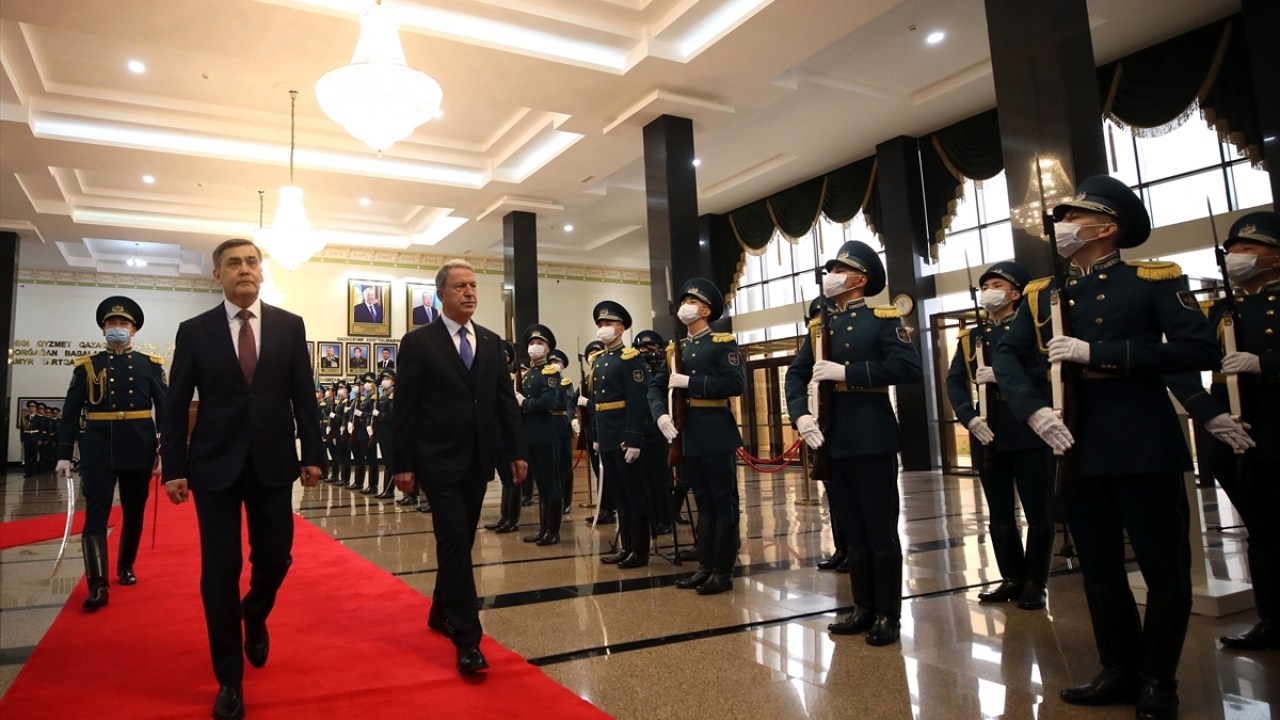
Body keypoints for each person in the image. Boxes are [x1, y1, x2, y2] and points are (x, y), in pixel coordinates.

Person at [991, 176, 1219, 719]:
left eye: (1072, 216)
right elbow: (1006, 354)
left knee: (1164, 566)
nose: (1061, 225)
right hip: (1075, 441)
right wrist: (1033, 408)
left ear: (1106, 226)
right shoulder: (1044, 292)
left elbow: (1198, 345)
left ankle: (1159, 681)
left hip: (1142, 439)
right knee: (1098, 565)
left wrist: (1102, 352)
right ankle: (1118, 669)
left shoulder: (1153, 280)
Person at [160, 238, 323, 720]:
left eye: (252, 261)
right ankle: (229, 677)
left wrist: (312, 453)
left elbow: (304, 396)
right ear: (218, 275)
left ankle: (255, 611)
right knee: (219, 571)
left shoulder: (289, 327)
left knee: (276, 557)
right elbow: (175, 405)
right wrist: (174, 467)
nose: (245, 269)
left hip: (273, 463)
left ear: (261, 270)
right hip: (214, 467)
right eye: (234, 263)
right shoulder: (195, 330)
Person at [392, 259, 527, 675]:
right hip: (437, 460)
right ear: (441, 295)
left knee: (461, 542)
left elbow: (504, 402)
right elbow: (405, 408)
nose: (469, 293)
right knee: (453, 542)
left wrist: (516, 452)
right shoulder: (419, 343)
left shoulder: (489, 342)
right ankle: (468, 639)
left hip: (478, 460)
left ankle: (439, 610)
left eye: (473, 286)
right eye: (460, 287)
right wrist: (403, 464)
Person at [785, 240, 923, 646]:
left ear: (860, 279)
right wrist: (802, 415)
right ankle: (861, 608)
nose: (831, 276)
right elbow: (795, 376)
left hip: (871, 437)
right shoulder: (819, 326)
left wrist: (847, 371)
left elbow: (907, 366)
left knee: (880, 531)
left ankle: (887, 615)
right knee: (852, 533)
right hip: (832, 439)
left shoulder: (881, 319)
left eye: (839, 270)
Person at [1169, 210, 1278, 652]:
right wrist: (1208, 412)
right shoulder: (1219, 311)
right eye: (1231, 250)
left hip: (1275, 429)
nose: (1236, 256)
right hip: (1232, 437)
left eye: (1248, 249)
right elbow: (1181, 362)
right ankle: (1272, 619)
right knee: (1263, 531)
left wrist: (1265, 365)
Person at [943, 261, 1055, 610]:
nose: (988, 290)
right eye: (985, 286)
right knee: (999, 509)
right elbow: (954, 382)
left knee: (1038, 508)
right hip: (988, 428)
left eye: (995, 284)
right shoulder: (971, 337)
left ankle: (1035, 582)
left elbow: (1048, 368)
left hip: (1027, 424)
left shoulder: (1033, 329)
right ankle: (1011, 577)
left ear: (1015, 292)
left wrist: (1008, 375)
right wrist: (968, 417)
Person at [55, 296, 166, 610]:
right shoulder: (87, 366)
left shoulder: (150, 365)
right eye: (111, 324)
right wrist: (64, 452)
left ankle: (125, 566)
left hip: (139, 447)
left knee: (134, 512)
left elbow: (166, 410)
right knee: (96, 515)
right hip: (98, 449)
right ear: (103, 329)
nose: (117, 328)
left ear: (134, 330)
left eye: (123, 324)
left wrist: (165, 451)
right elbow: (70, 412)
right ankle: (98, 585)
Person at [651, 279, 746, 595]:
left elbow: (734, 383)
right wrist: (660, 414)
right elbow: (655, 386)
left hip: (716, 431)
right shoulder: (675, 349)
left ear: (705, 310)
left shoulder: (721, 342)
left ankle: (723, 570)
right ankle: (705, 567)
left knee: (723, 502)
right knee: (703, 502)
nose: (685, 306)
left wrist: (690, 382)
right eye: (683, 300)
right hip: (688, 433)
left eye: (692, 301)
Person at [585, 301, 653, 569]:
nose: (603, 328)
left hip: (625, 436)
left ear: (621, 328)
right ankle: (625, 547)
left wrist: (634, 439)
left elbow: (638, 401)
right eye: (600, 325)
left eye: (608, 324)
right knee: (619, 494)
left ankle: (640, 550)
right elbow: (598, 403)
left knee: (633, 494)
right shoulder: (600, 360)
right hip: (608, 435)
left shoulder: (630, 359)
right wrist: (598, 436)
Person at [801, 297, 848, 573]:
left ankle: (853, 548)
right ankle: (841, 547)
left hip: (839, 427)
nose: (818, 321)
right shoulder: (811, 349)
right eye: (814, 317)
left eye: (823, 315)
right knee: (833, 497)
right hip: (817, 429)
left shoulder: (841, 344)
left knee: (847, 497)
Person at [518, 324, 564, 546]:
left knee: (551, 483)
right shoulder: (528, 374)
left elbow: (548, 402)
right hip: (531, 436)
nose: (534, 347)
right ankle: (543, 528)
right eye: (531, 343)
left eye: (539, 344)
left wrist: (524, 403)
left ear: (547, 349)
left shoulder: (550, 372)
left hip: (546, 434)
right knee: (540, 486)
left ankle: (553, 531)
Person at [634, 330, 675, 535]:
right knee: (646, 479)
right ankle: (652, 517)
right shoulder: (636, 367)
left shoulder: (662, 367)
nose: (645, 352)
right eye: (641, 348)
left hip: (660, 428)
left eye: (649, 349)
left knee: (661, 478)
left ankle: (667, 518)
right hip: (642, 428)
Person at [485, 341, 522, 532]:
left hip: (507, 435)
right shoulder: (490, 378)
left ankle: (512, 518)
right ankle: (505, 516)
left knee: (512, 478)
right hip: (495, 434)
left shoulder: (511, 379)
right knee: (505, 479)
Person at [578, 340, 614, 525]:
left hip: (606, 428)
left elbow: (604, 402)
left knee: (608, 472)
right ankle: (603, 508)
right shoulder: (586, 380)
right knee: (598, 472)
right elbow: (576, 401)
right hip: (592, 430)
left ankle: (609, 508)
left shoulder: (606, 376)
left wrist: (588, 404)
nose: (593, 355)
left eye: (596, 351)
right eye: (590, 352)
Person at [549, 348, 576, 516]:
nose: (554, 365)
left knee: (565, 467)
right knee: (552, 466)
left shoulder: (565, 383)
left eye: (557, 363)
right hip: (548, 426)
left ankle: (567, 501)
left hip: (562, 425)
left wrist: (546, 403)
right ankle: (555, 501)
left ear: (563, 366)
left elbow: (568, 402)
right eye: (551, 362)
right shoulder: (545, 381)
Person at [352, 373, 380, 494]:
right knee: (367, 459)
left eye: (370, 382)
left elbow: (372, 414)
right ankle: (366, 484)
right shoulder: (366, 398)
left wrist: (362, 415)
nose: (367, 384)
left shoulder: (374, 398)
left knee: (372, 460)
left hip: (369, 432)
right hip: (363, 431)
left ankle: (373, 486)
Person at [374, 369, 398, 500]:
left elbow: (393, 416)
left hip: (390, 433)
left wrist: (380, 415)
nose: (384, 381)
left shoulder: (393, 395)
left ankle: (389, 491)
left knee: (390, 463)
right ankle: (386, 490)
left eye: (387, 379)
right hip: (383, 434)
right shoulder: (383, 396)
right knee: (386, 462)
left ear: (393, 381)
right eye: (383, 379)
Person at [21, 400, 42, 477]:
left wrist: (40, 439)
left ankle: (33, 471)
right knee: (27, 456)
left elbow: (41, 430)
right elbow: (22, 430)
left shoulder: (39, 418)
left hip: (35, 438)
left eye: (33, 407)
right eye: (30, 407)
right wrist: (22, 440)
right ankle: (27, 472)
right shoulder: (25, 418)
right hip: (27, 438)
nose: (31, 408)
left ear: (35, 408)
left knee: (34, 455)